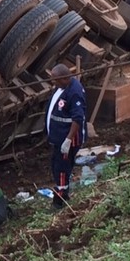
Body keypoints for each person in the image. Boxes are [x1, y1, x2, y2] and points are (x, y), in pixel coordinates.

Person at [46, 64, 86, 209]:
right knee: (56, 165)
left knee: (62, 169)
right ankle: (63, 192)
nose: (53, 83)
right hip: (58, 138)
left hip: (67, 140)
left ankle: (60, 200)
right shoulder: (61, 87)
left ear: (64, 78)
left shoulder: (74, 92)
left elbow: (77, 118)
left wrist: (68, 140)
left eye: (55, 80)